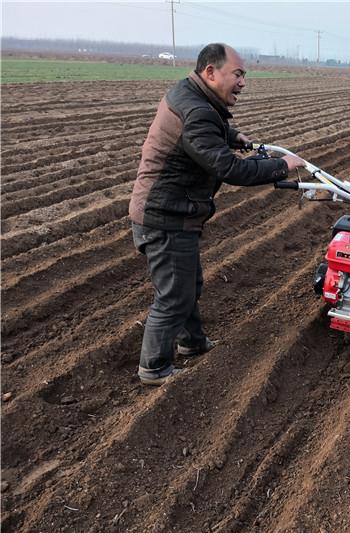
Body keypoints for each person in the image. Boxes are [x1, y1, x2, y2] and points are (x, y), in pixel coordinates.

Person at [129, 43, 304, 385]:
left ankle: (192, 343)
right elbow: (230, 170)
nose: (242, 82)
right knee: (174, 296)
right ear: (211, 72)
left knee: (188, 285)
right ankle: (154, 368)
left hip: (173, 211)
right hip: (164, 215)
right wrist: (280, 166)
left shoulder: (188, 94)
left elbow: (204, 132)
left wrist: (231, 134)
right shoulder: (198, 112)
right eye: (237, 74)